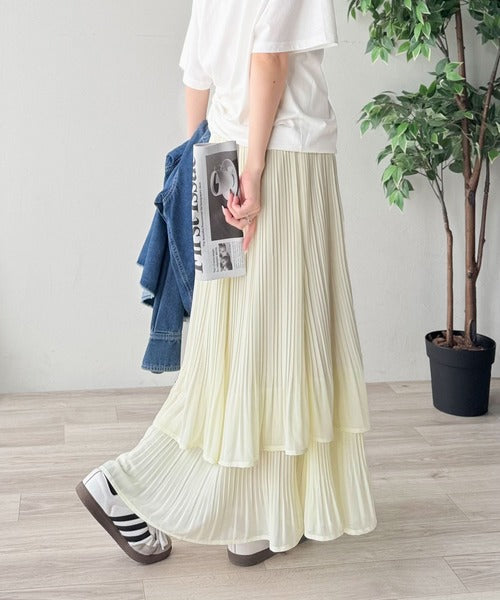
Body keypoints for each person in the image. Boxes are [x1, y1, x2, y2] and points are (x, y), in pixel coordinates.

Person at [75, 0, 378, 567]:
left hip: (220, 161)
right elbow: (270, 62)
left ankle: (252, 519)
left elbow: (197, 79)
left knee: (235, 344)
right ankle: (126, 484)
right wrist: (255, 174)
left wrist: (205, 170)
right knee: (279, 338)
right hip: (282, 162)